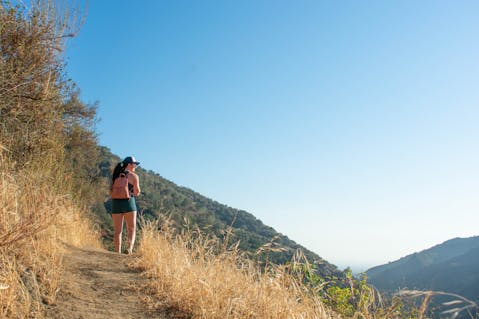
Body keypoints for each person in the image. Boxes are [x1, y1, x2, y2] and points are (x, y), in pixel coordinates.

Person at [110, 156, 141, 254]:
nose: (135, 166)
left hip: (116, 203)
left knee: (117, 231)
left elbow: (110, 190)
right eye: (135, 164)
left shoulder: (116, 175)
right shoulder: (134, 176)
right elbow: (137, 192)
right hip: (129, 203)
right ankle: (129, 249)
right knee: (131, 228)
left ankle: (117, 252)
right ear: (130, 164)